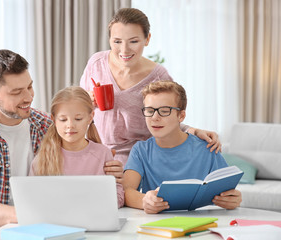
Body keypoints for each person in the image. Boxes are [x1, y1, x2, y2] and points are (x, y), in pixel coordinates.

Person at [0, 50, 121, 240]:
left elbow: (81, 161)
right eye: (16, 92)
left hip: (46, 233)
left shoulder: (46, 124)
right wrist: (42, 215)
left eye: (29, 87)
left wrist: (109, 170)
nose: (29, 97)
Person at [80, 8, 221, 167]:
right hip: (95, 152)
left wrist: (194, 131)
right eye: (117, 41)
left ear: (147, 39)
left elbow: (169, 120)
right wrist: (85, 103)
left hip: (138, 157)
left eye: (133, 41)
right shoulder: (96, 63)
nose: (124, 50)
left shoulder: (159, 78)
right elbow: (79, 106)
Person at [123, 81, 242, 214]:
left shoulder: (207, 148)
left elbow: (229, 192)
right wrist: (145, 200)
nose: (154, 118)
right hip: (157, 225)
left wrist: (233, 200)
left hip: (201, 224)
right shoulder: (140, 150)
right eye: (149, 111)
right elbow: (126, 191)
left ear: (181, 116)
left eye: (164, 111)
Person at [29, 86, 124, 207]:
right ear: (53, 119)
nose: (70, 125)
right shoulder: (43, 159)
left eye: (78, 119)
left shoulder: (103, 154)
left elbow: (118, 197)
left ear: (90, 117)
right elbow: (32, 198)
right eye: (63, 119)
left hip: (95, 220)